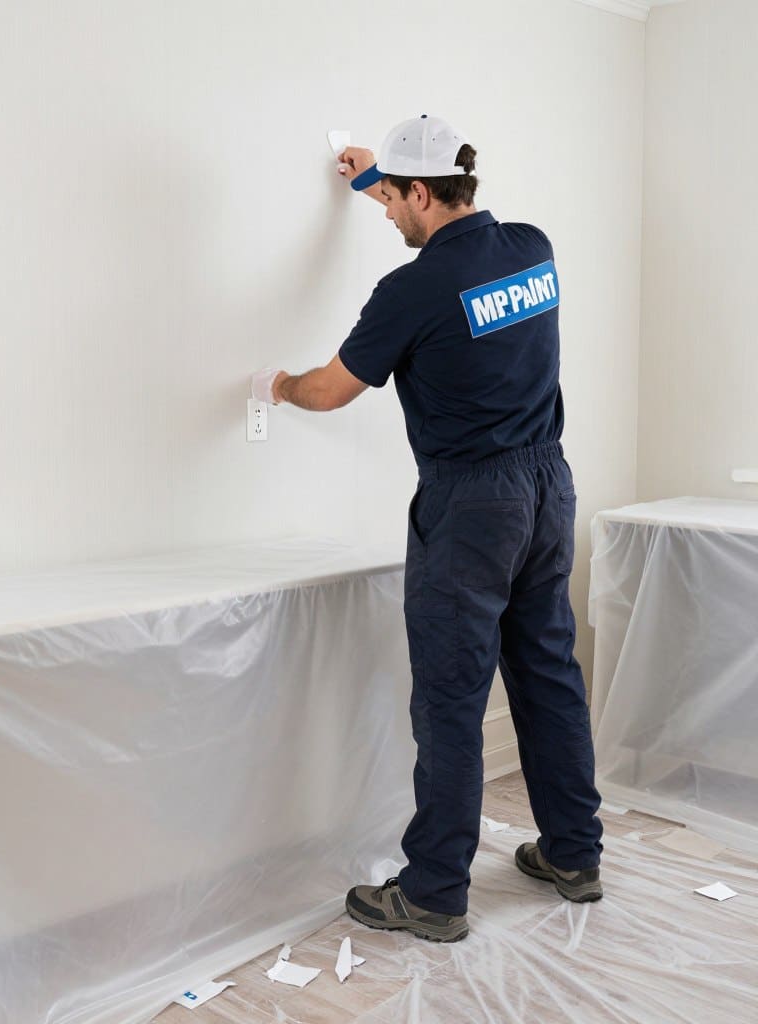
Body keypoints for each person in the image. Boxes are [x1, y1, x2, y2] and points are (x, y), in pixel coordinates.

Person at [251, 114, 603, 943]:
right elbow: (452, 247)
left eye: (392, 204)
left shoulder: (411, 291)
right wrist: (376, 178)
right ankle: (574, 854)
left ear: (421, 191)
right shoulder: (531, 249)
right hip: (548, 488)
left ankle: (436, 891)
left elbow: (333, 390)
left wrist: (279, 384)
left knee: (450, 695)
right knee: (548, 672)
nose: (384, 217)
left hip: (472, 505)